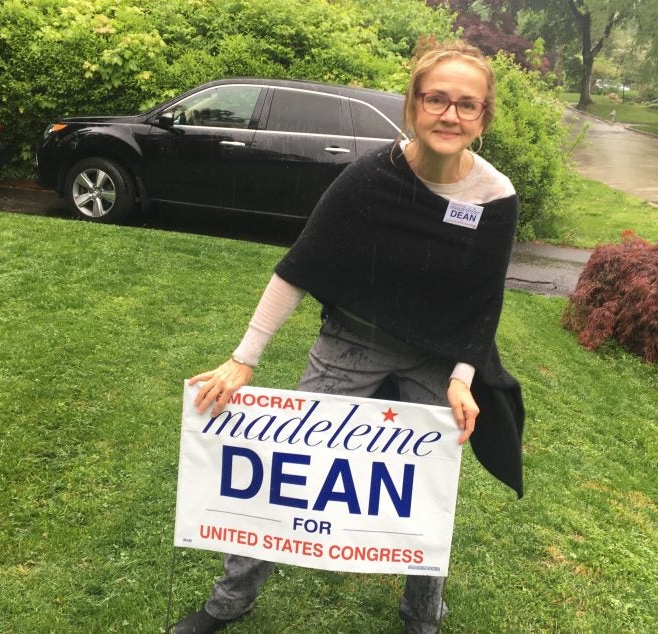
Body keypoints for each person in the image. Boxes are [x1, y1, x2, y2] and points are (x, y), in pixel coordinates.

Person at [171, 40, 524, 634]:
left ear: (483, 118)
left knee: (425, 487)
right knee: (292, 471)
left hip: (436, 356)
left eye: (467, 105)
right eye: (436, 99)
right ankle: (227, 603)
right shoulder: (370, 175)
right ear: (413, 106)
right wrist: (243, 359)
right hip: (351, 342)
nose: (450, 115)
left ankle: (422, 617)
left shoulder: (495, 197)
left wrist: (463, 379)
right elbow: (298, 268)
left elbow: (483, 300)